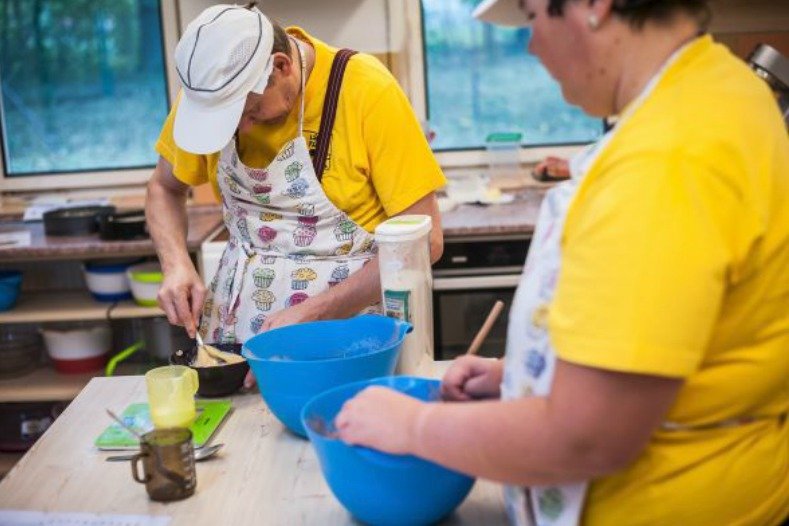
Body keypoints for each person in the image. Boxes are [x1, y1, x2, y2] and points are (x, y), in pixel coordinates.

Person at [334, 0, 789, 525]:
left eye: (532, 16)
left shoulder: (665, 159)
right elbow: (687, 342)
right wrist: (523, 376)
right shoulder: (726, 87)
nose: (530, 43)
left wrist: (412, 426)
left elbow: (585, 438)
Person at [145, 3, 445, 357]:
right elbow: (164, 188)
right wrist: (176, 263)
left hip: (350, 334)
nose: (241, 129)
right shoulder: (213, 94)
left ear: (281, 66)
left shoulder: (365, 89)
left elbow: (423, 244)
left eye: (250, 112)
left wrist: (319, 310)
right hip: (237, 334)